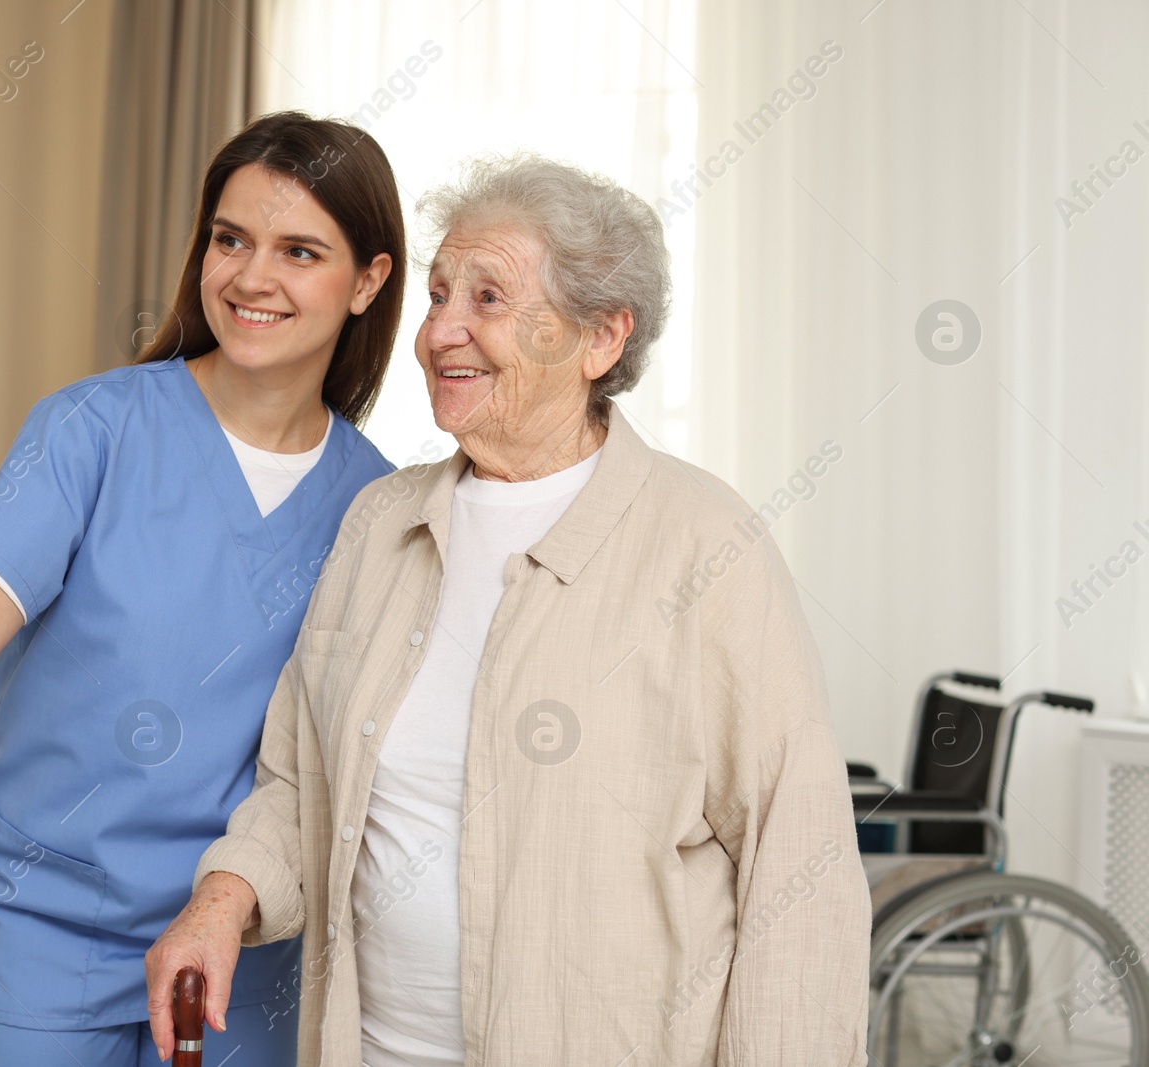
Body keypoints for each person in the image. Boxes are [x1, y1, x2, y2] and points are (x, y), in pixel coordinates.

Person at [145, 153, 872, 1066]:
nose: (440, 331)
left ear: (601, 339)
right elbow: (298, 779)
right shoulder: (381, 522)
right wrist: (221, 901)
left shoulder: (705, 547)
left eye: (487, 299)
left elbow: (797, 874)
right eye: (439, 293)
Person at [0, 110, 408, 1066]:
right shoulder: (90, 431)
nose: (250, 276)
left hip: (243, 953)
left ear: (368, 281)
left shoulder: (379, 506)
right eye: (229, 239)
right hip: (48, 937)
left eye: (299, 250)